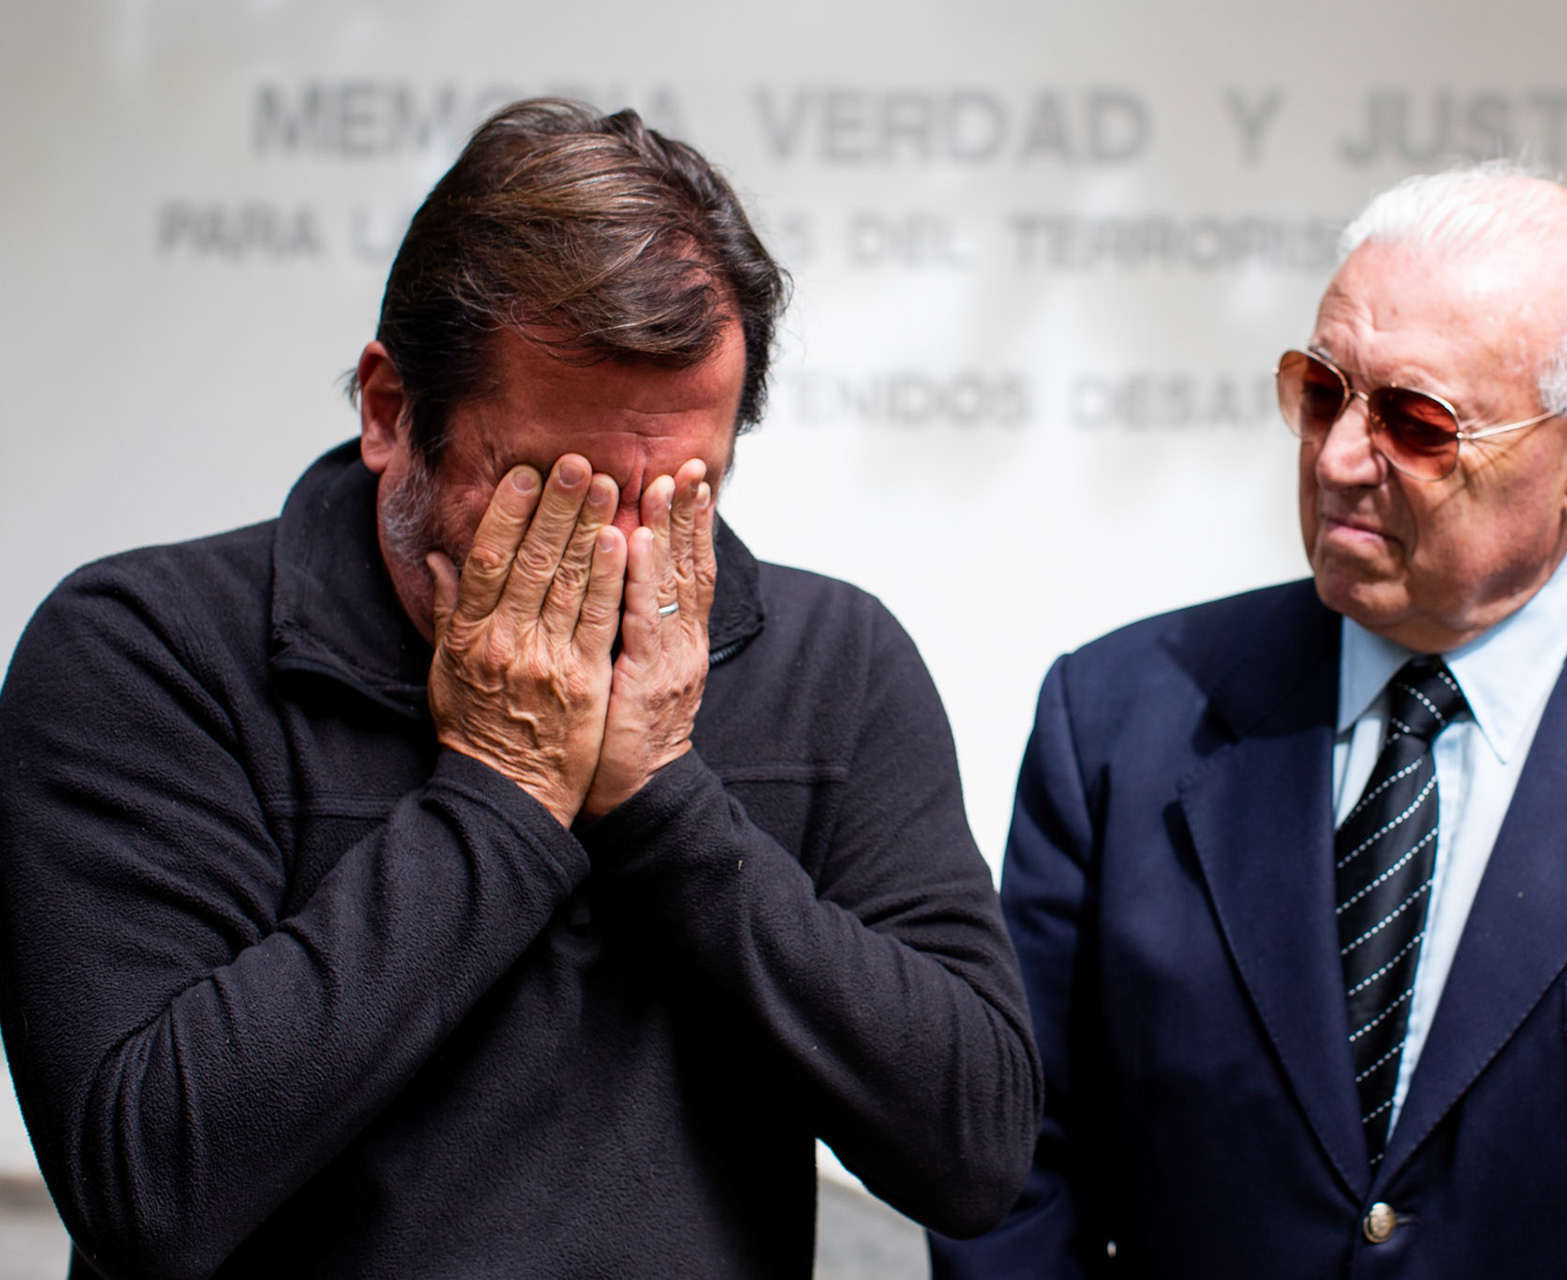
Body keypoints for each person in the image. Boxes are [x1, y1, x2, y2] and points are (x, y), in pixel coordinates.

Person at [0, 99, 1040, 1279]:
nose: (617, 555)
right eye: (554, 491)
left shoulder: (834, 662)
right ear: (392, 411)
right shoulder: (150, 649)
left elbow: (975, 1147)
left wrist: (664, 800)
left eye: (678, 494)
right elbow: (146, 1181)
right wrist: (503, 787)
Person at [931, 164, 1567, 1277]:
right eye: (1321, 392)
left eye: (1417, 421)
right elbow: (1010, 1163)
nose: (1343, 458)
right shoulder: (1121, 716)